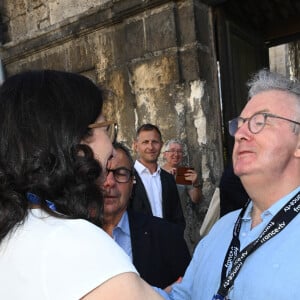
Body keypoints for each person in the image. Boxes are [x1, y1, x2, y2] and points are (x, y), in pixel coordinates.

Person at [0, 70, 163, 300]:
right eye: (105, 128)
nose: (110, 144)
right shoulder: (79, 246)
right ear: (76, 140)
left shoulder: (14, 232)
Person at [156, 69, 300, 299]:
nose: (240, 133)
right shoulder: (221, 229)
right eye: (240, 124)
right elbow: (184, 295)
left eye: (260, 121)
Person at [102, 142, 191, 288]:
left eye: (121, 173)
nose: (109, 182)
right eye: (101, 173)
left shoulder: (168, 236)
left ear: (132, 183)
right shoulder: (66, 239)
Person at [129, 124, 185, 227]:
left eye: (154, 142)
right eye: (145, 142)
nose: (150, 147)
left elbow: (178, 217)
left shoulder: (168, 179)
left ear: (161, 145)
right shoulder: (127, 178)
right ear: (136, 146)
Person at [162, 139, 202, 204]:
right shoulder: (158, 172)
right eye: (172, 150)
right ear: (165, 154)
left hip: (180, 213)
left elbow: (196, 200)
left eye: (179, 151)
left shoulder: (184, 173)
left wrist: (196, 183)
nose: (176, 154)